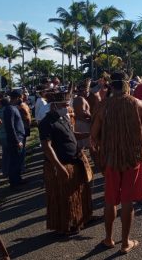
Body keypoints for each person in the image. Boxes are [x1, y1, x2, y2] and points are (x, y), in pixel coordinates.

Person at [91, 71, 142, 253]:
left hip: (111, 160)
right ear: (126, 84)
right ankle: (125, 243)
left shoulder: (103, 107)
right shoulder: (139, 104)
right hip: (132, 159)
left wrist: (108, 143)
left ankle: (109, 239)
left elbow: (93, 136)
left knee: (110, 200)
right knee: (127, 202)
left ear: (111, 86)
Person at [38, 90, 93, 235]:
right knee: (65, 199)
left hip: (74, 161)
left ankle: (83, 218)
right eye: (63, 105)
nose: (67, 107)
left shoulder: (64, 118)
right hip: (62, 165)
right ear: (54, 106)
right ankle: (66, 224)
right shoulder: (46, 123)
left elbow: (72, 135)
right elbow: (46, 146)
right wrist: (59, 166)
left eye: (67, 104)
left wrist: (90, 134)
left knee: (80, 194)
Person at [0, 90, 26, 187]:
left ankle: (17, 179)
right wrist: (17, 141)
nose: (22, 99)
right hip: (15, 140)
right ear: (17, 98)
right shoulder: (9, 109)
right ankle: (14, 182)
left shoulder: (13, 107)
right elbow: (10, 127)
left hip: (18, 138)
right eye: (21, 97)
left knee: (17, 161)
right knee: (14, 161)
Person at [74, 79, 92, 151]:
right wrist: (91, 117)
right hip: (82, 124)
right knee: (87, 145)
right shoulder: (80, 99)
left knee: (84, 146)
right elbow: (82, 113)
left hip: (82, 122)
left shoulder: (80, 98)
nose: (88, 92)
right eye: (87, 90)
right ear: (83, 90)